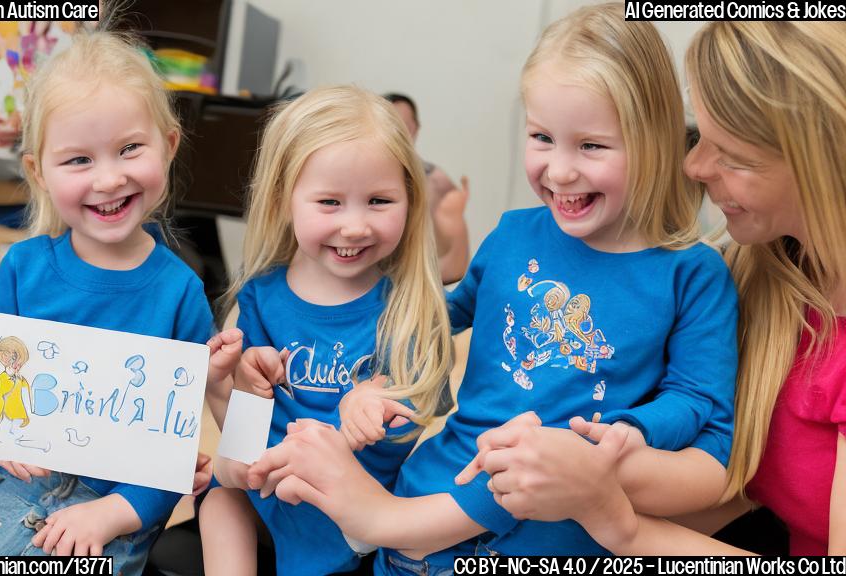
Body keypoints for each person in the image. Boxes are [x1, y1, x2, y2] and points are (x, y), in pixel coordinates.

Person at [244, 4, 739, 572]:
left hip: (550, 535)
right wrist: (376, 384)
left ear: (654, 140)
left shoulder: (693, 273)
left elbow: (699, 402)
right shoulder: (512, 234)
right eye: (541, 137)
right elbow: (435, 319)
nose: (559, 171)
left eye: (591, 146)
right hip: (424, 509)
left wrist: (632, 430)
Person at [469, 20, 846, 556]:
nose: (691, 167)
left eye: (731, 155)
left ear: (821, 166)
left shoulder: (699, 275)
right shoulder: (759, 269)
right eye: (700, 137)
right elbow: (739, 486)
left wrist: (611, 516)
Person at [0, 30, 242, 574]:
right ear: (39, 173)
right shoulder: (22, 268)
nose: (108, 177)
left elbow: (169, 454)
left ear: (168, 147)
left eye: (129, 149)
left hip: (107, 507)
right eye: (78, 160)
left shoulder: (181, 291)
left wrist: (114, 514)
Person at [198, 85, 454, 576]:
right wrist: (230, 387)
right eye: (330, 202)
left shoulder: (409, 306)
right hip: (269, 492)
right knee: (220, 503)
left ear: (409, 198)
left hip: (357, 506)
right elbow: (241, 440)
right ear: (284, 200)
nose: (355, 226)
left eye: (379, 201)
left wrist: (375, 404)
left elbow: (414, 419)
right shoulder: (260, 298)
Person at [385, 93, 470, 284]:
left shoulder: (435, 179)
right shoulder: (363, 174)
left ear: (415, 128)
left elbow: (454, 265)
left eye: (404, 125)